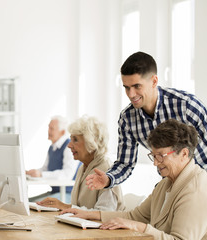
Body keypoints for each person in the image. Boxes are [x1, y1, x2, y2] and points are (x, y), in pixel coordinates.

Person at [62, 119, 207, 239]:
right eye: (153, 156)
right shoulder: (166, 183)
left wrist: (140, 227)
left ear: (184, 154)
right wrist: (89, 214)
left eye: (160, 156)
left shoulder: (196, 189)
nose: (155, 163)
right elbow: (135, 215)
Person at [86, 51, 207, 190]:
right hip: (172, 186)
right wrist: (108, 179)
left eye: (137, 86)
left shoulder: (186, 105)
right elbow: (125, 163)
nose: (131, 94)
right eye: (126, 87)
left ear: (154, 81)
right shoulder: (127, 119)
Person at [36, 116, 125, 211]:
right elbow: (79, 207)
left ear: (91, 142)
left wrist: (65, 207)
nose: (69, 145)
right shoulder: (83, 167)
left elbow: (103, 214)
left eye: (75, 140)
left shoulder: (107, 171)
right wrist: (63, 206)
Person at [26, 115, 78, 202]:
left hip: (68, 194)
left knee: (32, 204)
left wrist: (41, 175)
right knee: (27, 202)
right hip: (55, 192)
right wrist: (32, 173)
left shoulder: (69, 147)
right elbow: (45, 169)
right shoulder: (52, 148)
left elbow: (67, 175)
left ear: (62, 132)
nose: (48, 131)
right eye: (48, 128)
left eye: (52, 129)